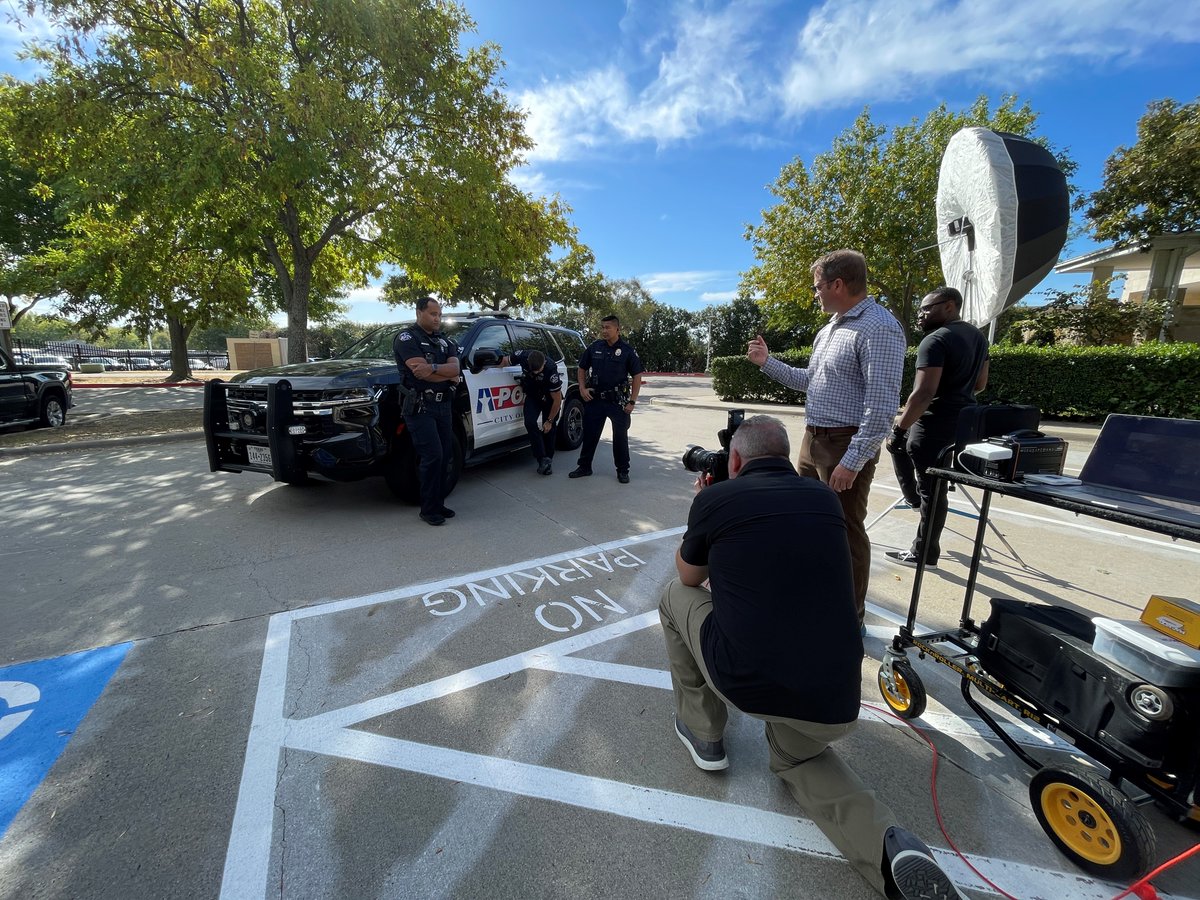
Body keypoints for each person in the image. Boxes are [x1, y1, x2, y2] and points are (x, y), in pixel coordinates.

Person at [659, 415, 967, 900]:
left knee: (673, 596)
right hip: (836, 694)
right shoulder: (824, 497)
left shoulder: (716, 499)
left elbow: (691, 576)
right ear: (785, 456)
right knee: (798, 760)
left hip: (750, 679)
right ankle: (891, 852)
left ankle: (703, 733)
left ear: (735, 460)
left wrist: (702, 507)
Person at [747, 249, 905, 628]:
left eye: (818, 286)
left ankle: (848, 619)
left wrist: (853, 460)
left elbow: (882, 405)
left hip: (843, 446)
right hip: (813, 441)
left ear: (838, 284)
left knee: (846, 533)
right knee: (807, 522)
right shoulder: (831, 329)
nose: (815, 293)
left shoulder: (878, 327)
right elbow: (809, 382)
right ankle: (812, 596)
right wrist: (766, 363)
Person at [885, 287, 989, 567]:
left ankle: (924, 551)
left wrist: (899, 428)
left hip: (933, 422)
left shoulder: (936, 340)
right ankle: (917, 504)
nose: (921, 314)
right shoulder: (977, 336)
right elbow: (980, 384)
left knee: (921, 477)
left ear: (950, 306)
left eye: (927, 308)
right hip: (963, 422)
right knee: (936, 488)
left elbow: (923, 393)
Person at [393, 296, 461, 526]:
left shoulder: (445, 341)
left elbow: (455, 369)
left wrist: (433, 368)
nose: (437, 319)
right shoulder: (406, 338)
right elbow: (419, 373)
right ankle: (428, 509)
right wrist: (446, 373)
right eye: (433, 314)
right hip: (421, 406)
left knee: (445, 456)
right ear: (419, 312)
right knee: (433, 456)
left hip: (443, 405)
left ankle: (438, 503)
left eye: (440, 315)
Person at [570, 314, 644, 483]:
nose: (604, 331)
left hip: (617, 402)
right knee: (590, 435)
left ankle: (623, 470)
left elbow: (637, 376)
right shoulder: (594, 347)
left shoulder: (627, 351)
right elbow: (582, 368)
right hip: (595, 399)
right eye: (602, 327)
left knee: (620, 437)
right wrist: (582, 388)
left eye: (607, 327)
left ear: (617, 329)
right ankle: (584, 467)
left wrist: (632, 401)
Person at [499, 348, 563, 475]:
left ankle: (548, 460)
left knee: (549, 430)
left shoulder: (551, 370)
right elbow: (505, 361)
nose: (534, 373)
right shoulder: (522, 355)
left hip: (549, 398)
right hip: (533, 395)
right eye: (532, 370)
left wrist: (549, 421)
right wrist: (486, 366)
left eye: (538, 371)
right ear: (527, 361)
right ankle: (541, 458)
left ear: (544, 363)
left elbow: (557, 400)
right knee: (529, 422)